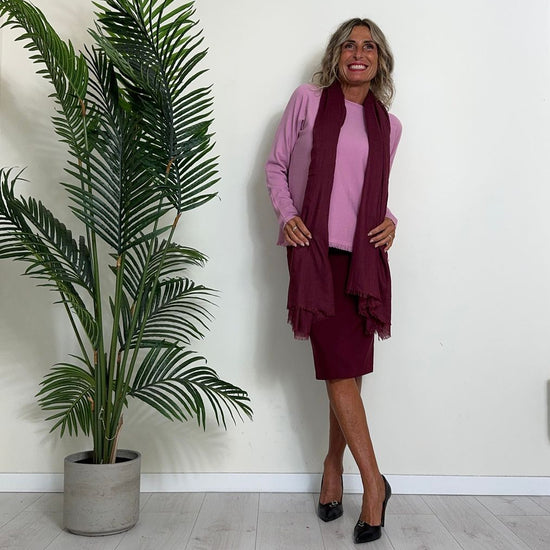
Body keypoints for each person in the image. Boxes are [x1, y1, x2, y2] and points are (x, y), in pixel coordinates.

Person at [265, 18, 402, 544]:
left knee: (347, 371)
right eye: (349, 44)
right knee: (339, 369)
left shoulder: (389, 126)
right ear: (336, 55)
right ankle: (374, 485)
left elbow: (372, 192)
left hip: (363, 257)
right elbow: (276, 167)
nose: (358, 53)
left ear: (379, 61)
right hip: (314, 252)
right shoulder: (306, 101)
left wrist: (392, 221)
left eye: (369, 46)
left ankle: (331, 469)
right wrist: (287, 214)